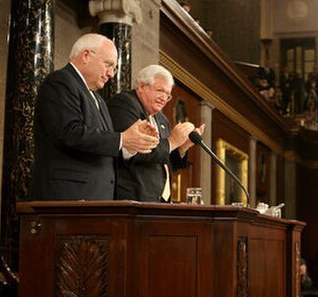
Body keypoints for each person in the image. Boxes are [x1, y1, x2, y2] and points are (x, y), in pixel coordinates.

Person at [30, 33, 159, 201]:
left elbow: (103, 148)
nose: (111, 74)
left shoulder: (98, 99)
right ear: (86, 56)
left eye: (114, 69)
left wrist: (131, 144)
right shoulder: (61, 82)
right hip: (68, 196)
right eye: (108, 65)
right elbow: (69, 133)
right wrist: (122, 138)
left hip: (96, 198)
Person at [108, 65, 204, 202]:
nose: (164, 98)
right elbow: (134, 152)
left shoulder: (161, 118)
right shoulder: (125, 104)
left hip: (158, 201)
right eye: (160, 91)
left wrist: (182, 147)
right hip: (133, 198)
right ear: (141, 87)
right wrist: (172, 142)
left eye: (168, 95)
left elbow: (165, 160)